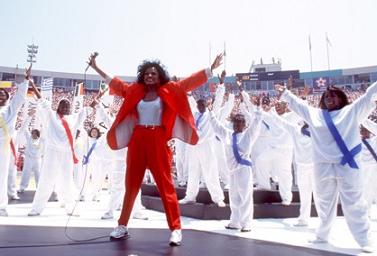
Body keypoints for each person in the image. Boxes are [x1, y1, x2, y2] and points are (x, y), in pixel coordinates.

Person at [87, 52, 223, 246]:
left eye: (154, 73)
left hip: (158, 139)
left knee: (166, 186)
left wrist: (210, 69)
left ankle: (175, 229)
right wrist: (96, 67)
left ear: (160, 76)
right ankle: (122, 226)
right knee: (131, 185)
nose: (150, 76)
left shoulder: (169, 89)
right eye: (147, 73)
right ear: (143, 75)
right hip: (138, 139)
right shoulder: (135, 90)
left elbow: (189, 83)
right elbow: (116, 84)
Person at [275, 83, 377, 253]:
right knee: (324, 203)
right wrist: (285, 93)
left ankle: (365, 239)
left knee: (353, 203)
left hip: (347, 165)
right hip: (322, 166)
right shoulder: (316, 115)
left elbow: (368, 96)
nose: (329, 99)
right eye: (326, 96)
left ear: (341, 98)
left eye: (333, 96)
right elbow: (300, 106)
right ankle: (322, 235)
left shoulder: (351, 111)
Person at [209, 99, 262, 232]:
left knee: (245, 196)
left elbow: (256, 123)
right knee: (233, 196)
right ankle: (235, 222)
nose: (238, 124)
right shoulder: (227, 135)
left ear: (245, 124)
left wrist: (258, 108)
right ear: (232, 124)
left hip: (244, 169)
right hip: (232, 171)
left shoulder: (249, 135)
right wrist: (210, 112)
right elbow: (216, 126)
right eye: (236, 122)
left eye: (241, 122)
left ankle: (246, 223)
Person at [0, 65, 32, 217]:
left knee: (2, 175)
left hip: (3, 147)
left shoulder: (10, 110)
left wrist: (26, 80)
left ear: (7, 98)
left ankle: (1, 206)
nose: (1, 97)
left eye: (3, 95)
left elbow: (19, 98)